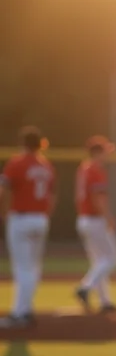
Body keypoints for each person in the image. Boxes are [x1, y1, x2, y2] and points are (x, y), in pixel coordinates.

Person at [0, 125, 57, 327]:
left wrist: (3, 213)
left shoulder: (17, 163)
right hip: (40, 218)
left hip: (21, 217)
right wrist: (45, 216)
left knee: (22, 268)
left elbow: (4, 191)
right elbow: (52, 196)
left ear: (22, 143)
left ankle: (20, 313)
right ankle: (26, 309)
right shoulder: (46, 165)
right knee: (33, 267)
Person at [74, 136, 116, 313]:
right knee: (113, 257)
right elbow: (97, 198)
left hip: (84, 218)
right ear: (98, 152)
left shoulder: (84, 168)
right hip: (95, 219)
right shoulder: (96, 170)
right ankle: (85, 287)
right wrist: (108, 216)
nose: (107, 154)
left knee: (99, 261)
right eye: (105, 151)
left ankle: (105, 301)